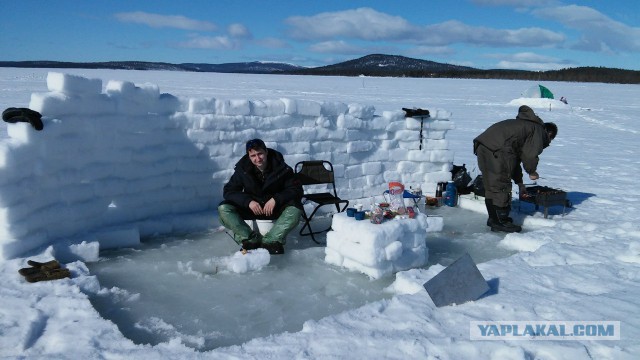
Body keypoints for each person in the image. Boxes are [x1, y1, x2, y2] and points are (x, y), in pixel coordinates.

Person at [473, 105, 558, 233]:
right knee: (501, 185)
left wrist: (520, 183)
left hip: (483, 146)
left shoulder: (525, 126)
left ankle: (494, 219)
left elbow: (514, 161)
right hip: (498, 150)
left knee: (492, 185)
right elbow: (530, 155)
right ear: (549, 134)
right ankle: (501, 222)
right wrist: (532, 171)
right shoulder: (538, 131)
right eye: (550, 140)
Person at [218, 138, 303, 254]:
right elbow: (228, 191)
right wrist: (248, 202)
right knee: (224, 208)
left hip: (274, 208)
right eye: (253, 155)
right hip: (253, 208)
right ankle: (249, 239)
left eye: (260, 154)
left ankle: (272, 241)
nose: (257, 159)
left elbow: (296, 189)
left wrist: (276, 199)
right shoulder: (242, 170)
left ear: (266, 152)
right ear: (249, 155)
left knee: (296, 208)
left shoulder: (282, 168)